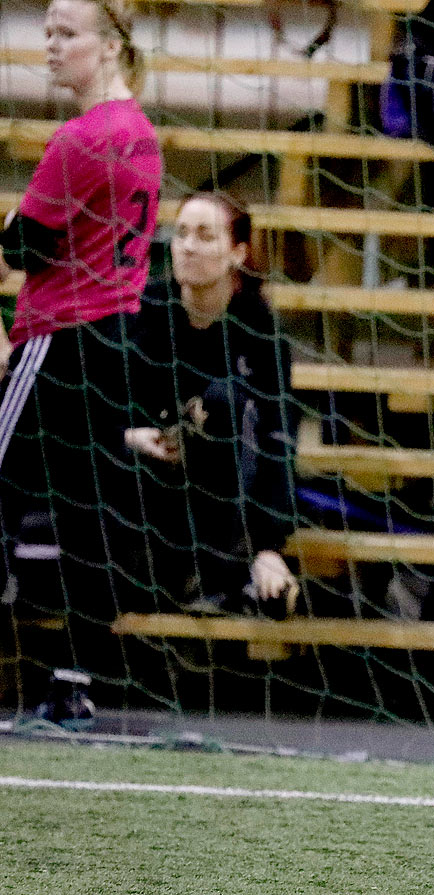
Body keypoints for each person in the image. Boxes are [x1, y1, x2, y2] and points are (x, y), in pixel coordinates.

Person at [0, 0, 160, 727]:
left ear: (110, 45)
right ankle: (73, 681)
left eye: (67, 35)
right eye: (48, 34)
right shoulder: (143, 134)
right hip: (114, 341)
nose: (52, 46)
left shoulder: (83, 137)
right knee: (90, 515)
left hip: (60, 339)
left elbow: (20, 249)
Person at [126, 194, 299, 619]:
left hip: (226, 492)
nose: (187, 246)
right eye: (181, 233)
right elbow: (107, 405)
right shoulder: (145, 312)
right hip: (148, 482)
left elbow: (278, 439)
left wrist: (269, 547)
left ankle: (237, 569)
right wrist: (130, 434)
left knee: (224, 403)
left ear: (238, 252)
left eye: (206, 236)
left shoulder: (260, 331)